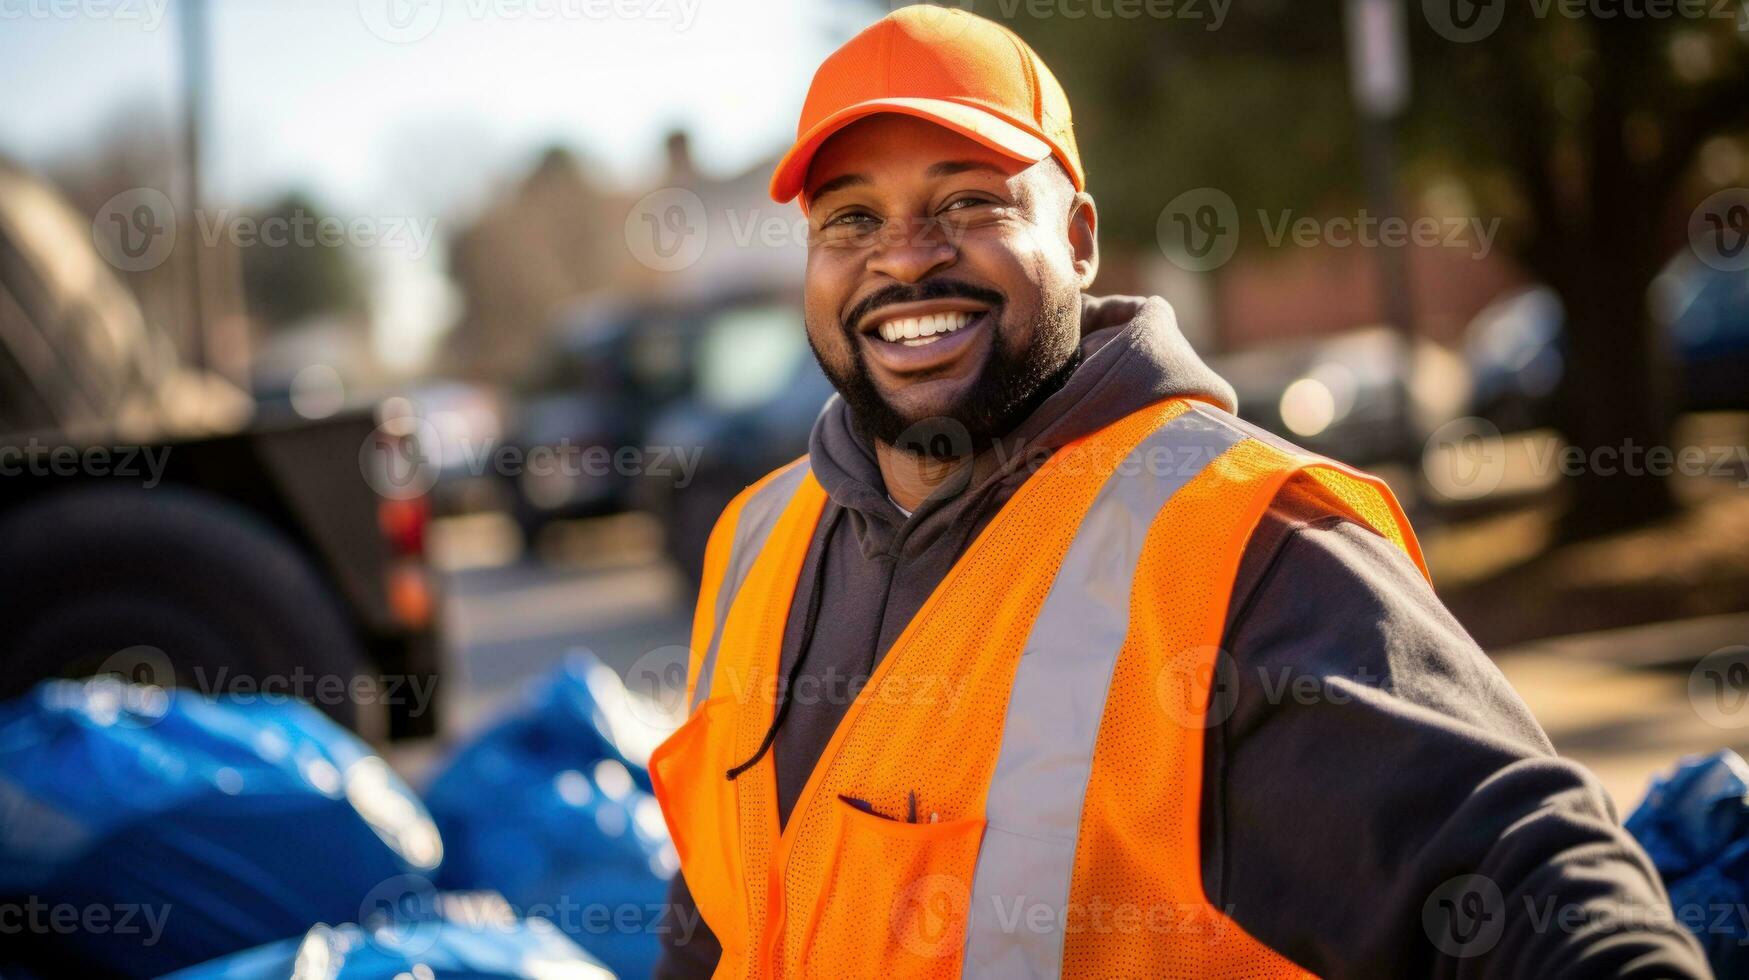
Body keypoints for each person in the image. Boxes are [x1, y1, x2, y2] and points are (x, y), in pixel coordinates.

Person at [651, 6, 1710, 977]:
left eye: (968, 201)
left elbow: (1536, 891)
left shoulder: (1234, 542)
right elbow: (714, 910)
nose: (905, 260)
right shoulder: (758, 538)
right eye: (851, 220)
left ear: (1077, 237)